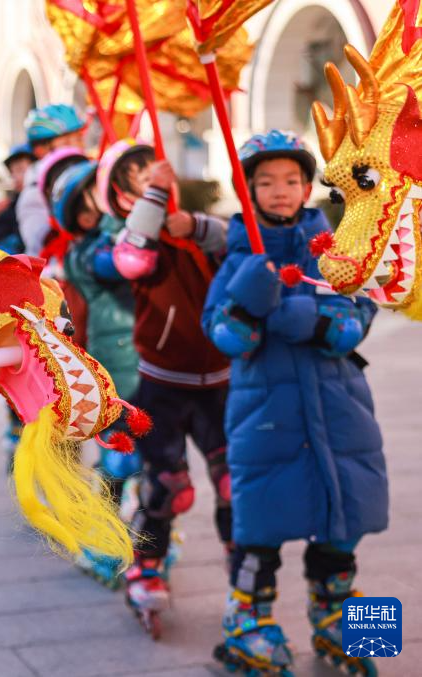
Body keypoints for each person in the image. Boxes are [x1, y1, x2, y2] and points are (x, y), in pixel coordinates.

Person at [203, 131, 388, 675]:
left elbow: (357, 317)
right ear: (248, 191)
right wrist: (249, 302)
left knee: (342, 521)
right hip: (266, 419)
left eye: (290, 181)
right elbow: (225, 335)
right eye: (265, 182)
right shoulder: (237, 257)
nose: (280, 191)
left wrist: (300, 318)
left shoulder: (335, 251)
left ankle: (343, 622)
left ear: (308, 186)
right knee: (259, 529)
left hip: (340, 409)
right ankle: (248, 623)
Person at [95, 139, 232, 634]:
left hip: (219, 382)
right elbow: (131, 258)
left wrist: (195, 225)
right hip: (164, 387)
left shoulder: (186, 228)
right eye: (134, 173)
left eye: (149, 169)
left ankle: (249, 589)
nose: (148, 175)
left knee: (233, 486)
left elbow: (237, 242)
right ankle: (146, 568)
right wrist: (155, 194)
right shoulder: (122, 236)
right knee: (167, 490)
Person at [51, 157, 142, 587]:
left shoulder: (117, 234)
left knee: (154, 466)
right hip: (117, 373)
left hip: (149, 368)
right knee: (118, 465)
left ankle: (149, 541)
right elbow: (118, 264)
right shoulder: (89, 250)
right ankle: (101, 545)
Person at [17, 104, 87, 257]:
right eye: (68, 141)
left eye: (79, 139)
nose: (78, 146)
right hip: (52, 273)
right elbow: (38, 238)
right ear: (41, 149)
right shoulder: (34, 192)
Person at [0, 142, 34, 255]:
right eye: (13, 171)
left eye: (21, 169)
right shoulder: (10, 209)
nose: (16, 176)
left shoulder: (48, 202)